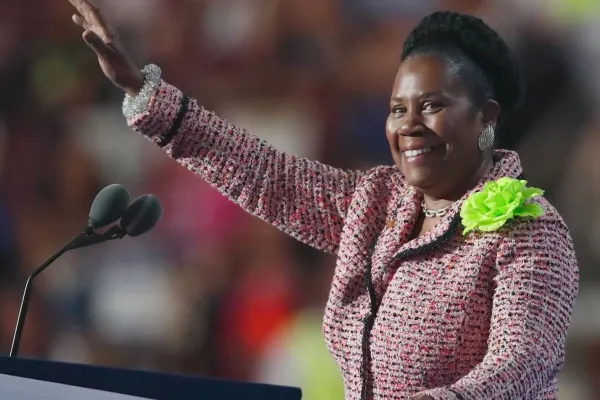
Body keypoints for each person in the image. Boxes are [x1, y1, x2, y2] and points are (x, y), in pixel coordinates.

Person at [68, 1, 579, 399]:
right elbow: (268, 177)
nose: (409, 126)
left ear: (486, 118)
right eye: (397, 109)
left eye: (432, 106)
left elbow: (522, 364)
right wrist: (144, 92)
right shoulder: (377, 204)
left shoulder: (529, 231)